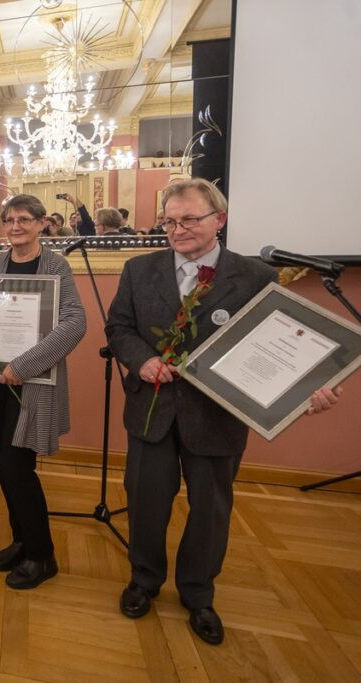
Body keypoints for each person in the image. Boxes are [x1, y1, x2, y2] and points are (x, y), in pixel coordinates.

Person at [105, 177, 343, 645]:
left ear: (220, 219)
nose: (178, 229)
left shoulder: (256, 276)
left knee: (210, 509)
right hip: (151, 409)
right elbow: (119, 327)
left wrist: (310, 389)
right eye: (170, 221)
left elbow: (287, 345)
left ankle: (198, 593)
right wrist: (142, 359)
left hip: (218, 415)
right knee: (147, 502)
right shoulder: (138, 269)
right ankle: (144, 580)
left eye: (190, 219)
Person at [0, 195, 86, 589]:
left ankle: (42, 555)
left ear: (42, 223)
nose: (16, 227)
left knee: (18, 470)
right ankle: (22, 540)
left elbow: (73, 323)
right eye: (9, 220)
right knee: (5, 468)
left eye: (25, 220)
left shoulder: (56, 266)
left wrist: (23, 365)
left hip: (31, 383)